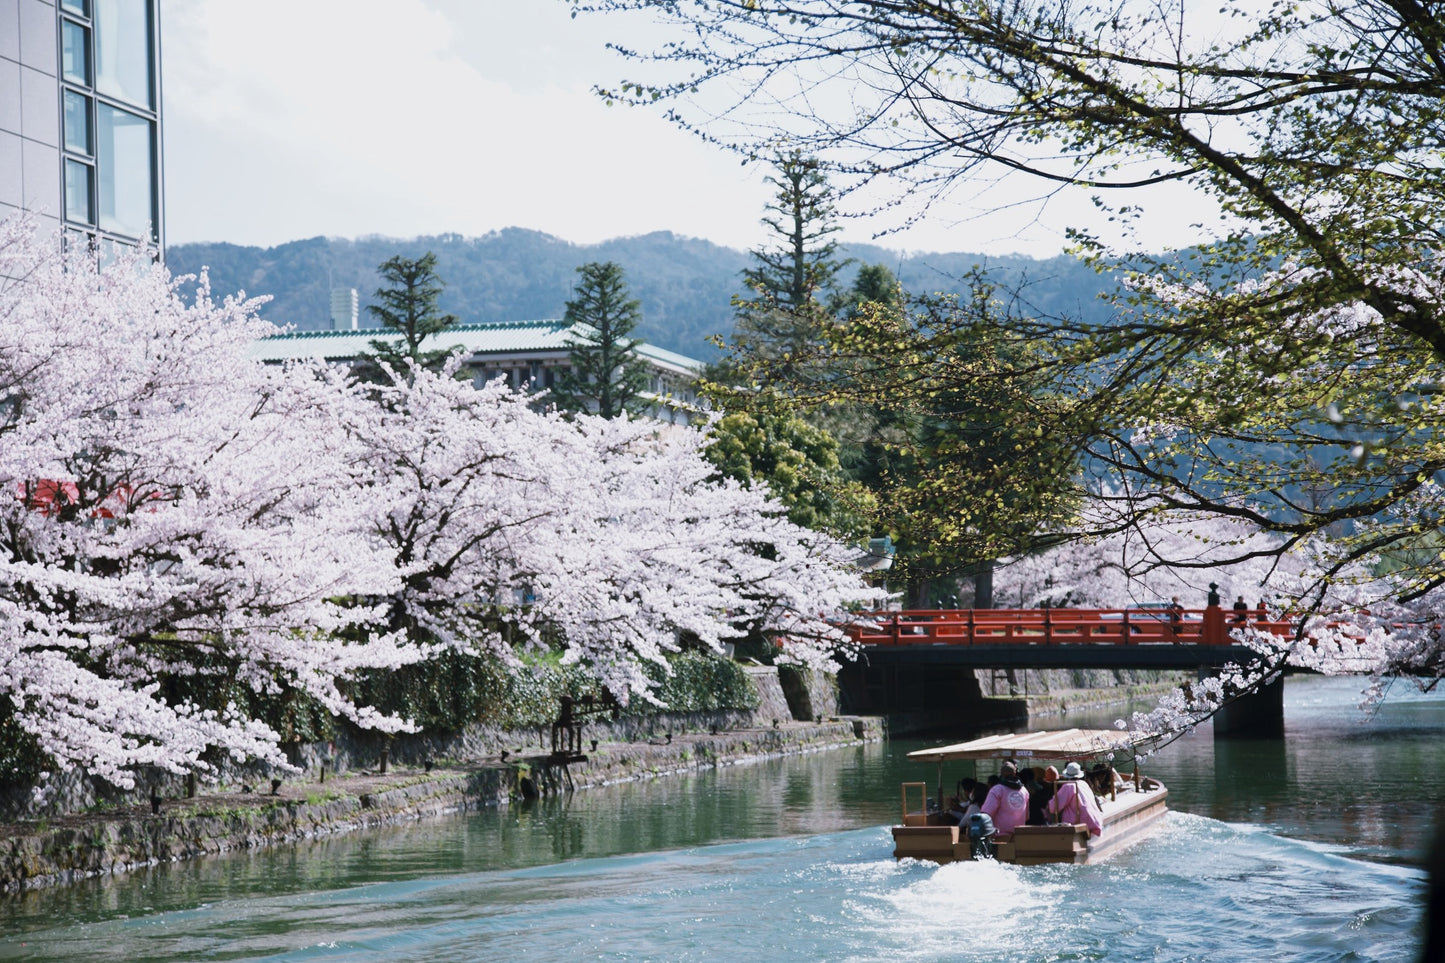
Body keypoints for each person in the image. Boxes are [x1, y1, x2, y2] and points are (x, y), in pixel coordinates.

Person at [1049, 762, 1103, 836]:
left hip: (1078, 823)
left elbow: (1053, 807)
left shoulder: (1068, 786)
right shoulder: (1083, 784)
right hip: (1093, 821)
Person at [982, 760, 1030, 836]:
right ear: (1015, 773)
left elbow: (985, 815)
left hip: (1000, 838)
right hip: (1019, 837)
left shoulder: (997, 790)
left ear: (1001, 774)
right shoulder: (1024, 791)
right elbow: (1027, 817)